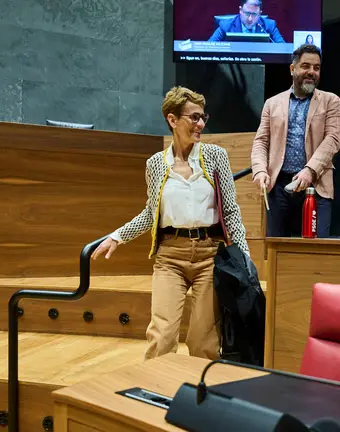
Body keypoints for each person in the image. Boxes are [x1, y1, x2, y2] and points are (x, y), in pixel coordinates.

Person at [91, 86, 249, 361]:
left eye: (203, 117)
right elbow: (151, 214)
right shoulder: (155, 164)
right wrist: (117, 236)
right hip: (170, 257)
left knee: (203, 341)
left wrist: (244, 258)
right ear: (172, 120)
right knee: (161, 336)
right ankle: (154, 395)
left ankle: (202, 399)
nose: (200, 124)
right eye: (194, 117)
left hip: (209, 255)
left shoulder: (216, 157)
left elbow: (231, 212)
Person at [251, 44, 340, 238]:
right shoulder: (272, 103)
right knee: (276, 251)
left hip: (315, 187)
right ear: (292, 69)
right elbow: (261, 141)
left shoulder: (331, 101)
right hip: (278, 187)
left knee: (315, 253)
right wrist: (259, 170)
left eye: (316, 68)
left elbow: (333, 139)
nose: (311, 72)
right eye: (306, 66)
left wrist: (309, 170)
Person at [208, 0, 285, 43]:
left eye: (254, 14)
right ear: (240, 10)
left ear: (260, 13)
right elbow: (209, 46)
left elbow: (282, 47)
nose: (250, 19)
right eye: (247, 13)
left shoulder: (269, 26)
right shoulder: (226, 25)